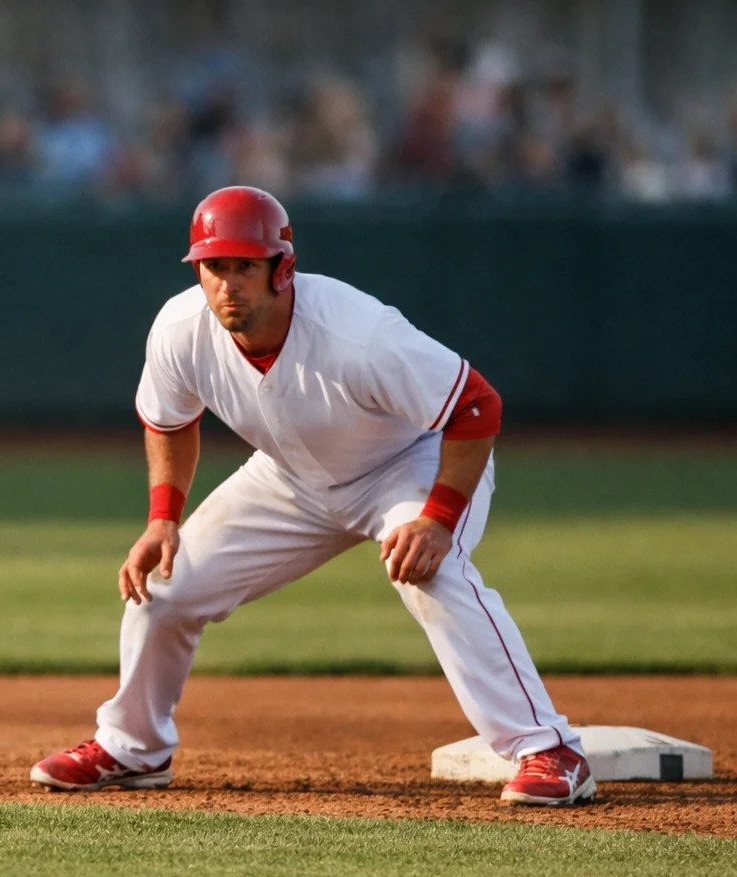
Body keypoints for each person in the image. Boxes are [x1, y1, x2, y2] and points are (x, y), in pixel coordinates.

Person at [30, 185, 593, 810]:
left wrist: (436, 518)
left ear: (283, 265)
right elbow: (168, 421)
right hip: (289, 478)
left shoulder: (357, 333)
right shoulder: (181, 327)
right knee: (164, 584)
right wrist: (163, 518)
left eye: (245, 265)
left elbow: (477, 404)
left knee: (429, 575)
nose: (227, 284)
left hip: (409, 466)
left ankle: (548, 749)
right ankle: (133, 750)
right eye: (214, 267)